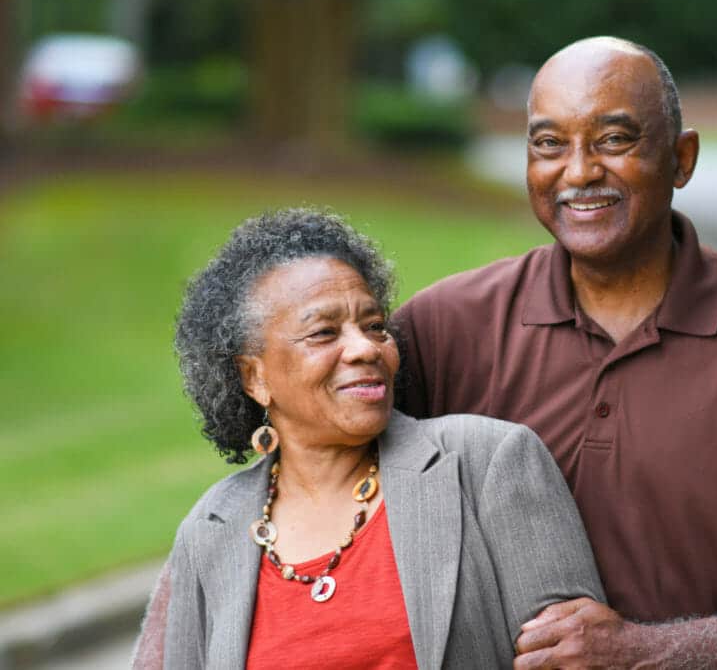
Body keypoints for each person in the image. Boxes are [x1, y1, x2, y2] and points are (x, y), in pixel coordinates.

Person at [394, 36, 717, 668]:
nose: (578, 171)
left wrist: (644, 654)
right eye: (549, 143)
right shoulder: (444, 326)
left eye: (614, 139)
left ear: (681, 158)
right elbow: (319, 481)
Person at [131, 208, 604, 669]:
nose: (365, 349)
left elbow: (576, 661)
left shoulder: (488, 463)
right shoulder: (212, 529)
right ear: (254, 377)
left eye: (375, 326)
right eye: (323, 333)